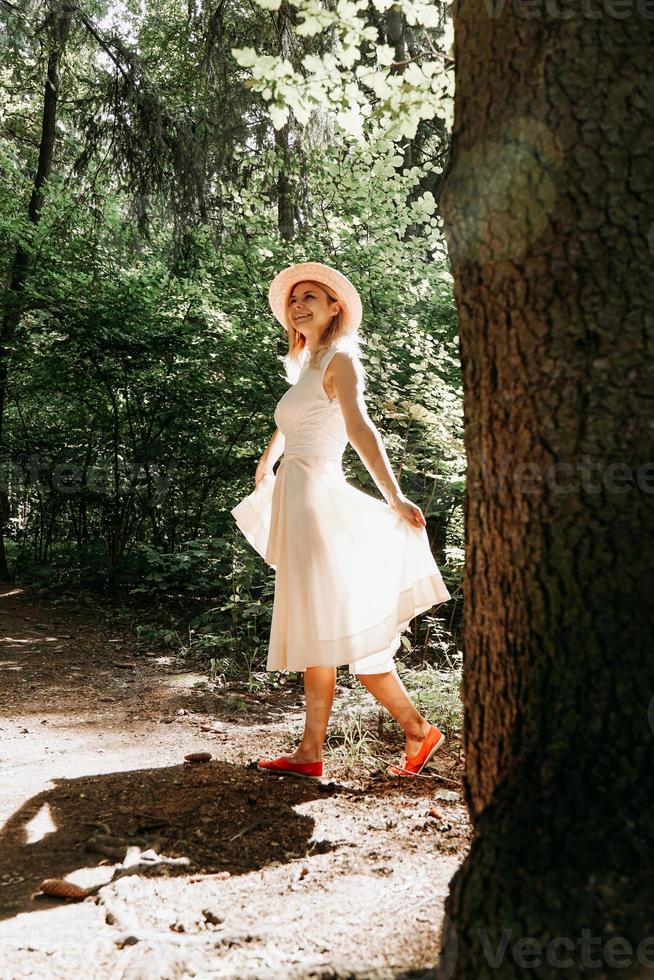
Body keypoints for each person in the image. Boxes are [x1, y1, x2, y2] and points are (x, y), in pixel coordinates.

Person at [231, 262, 452, 779]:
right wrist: (268, 459)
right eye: (293, 299)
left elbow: (359, 428)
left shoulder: (341, 359)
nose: (299, 304)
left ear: (335, 308)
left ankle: (325, 750)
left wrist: (394, 496)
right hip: (298, 494)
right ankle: (412, 733)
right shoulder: (308, 365)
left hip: (318, 501)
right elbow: (294, 421)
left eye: (311, 296)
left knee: (326, 627)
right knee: (328, 629)